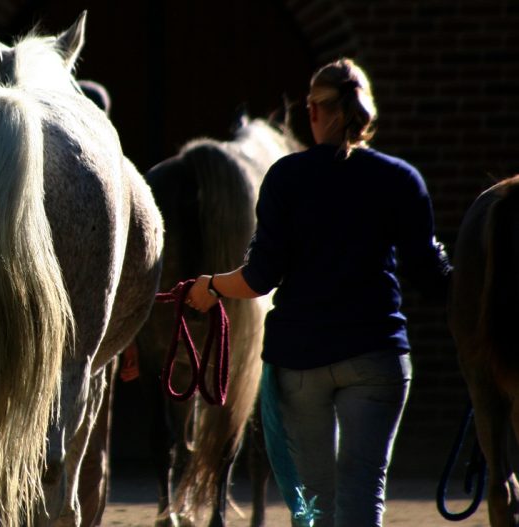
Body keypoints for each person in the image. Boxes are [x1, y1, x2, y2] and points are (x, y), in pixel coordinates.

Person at [186, 58, 450, 527]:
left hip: (301, 361)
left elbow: (258, 277)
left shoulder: (288, 177)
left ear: (313, 112)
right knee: (364, 494)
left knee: (312, 503)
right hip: (377, 357)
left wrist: (210, 287)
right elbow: (432, 277)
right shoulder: (401, 179)